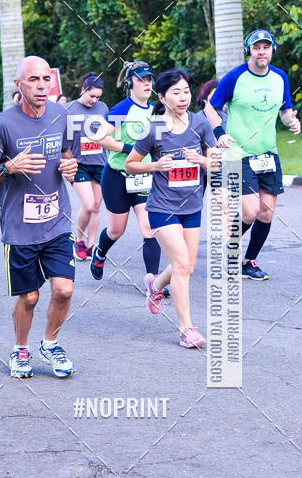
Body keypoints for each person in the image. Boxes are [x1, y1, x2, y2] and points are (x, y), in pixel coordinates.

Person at [0, 55, 78, 379]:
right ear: (18, 84)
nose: (40, 86)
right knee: (30, 296)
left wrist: (70, 167)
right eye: (33, 80)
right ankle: (20, 348)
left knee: (63, 289)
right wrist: (10, 167)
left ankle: (50, 343)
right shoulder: (2, 124)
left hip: (56, 219)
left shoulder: (61, 115)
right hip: (20, 227)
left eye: (45, 79)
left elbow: (67, 154)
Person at [124, 69, 217, 348]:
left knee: (186, 267)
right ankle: (186, 328)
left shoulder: (200, 124)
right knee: (181, 265)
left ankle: (155, 285)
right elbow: (130, 164)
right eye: (176, 92)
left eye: (186, 91)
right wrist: (155, 165)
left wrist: (199, 158)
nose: (183, 97)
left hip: (192, 206)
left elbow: (216, 162)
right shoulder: (154, 129)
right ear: (162, 97)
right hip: (162, 207)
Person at [202, 29, 300, 280]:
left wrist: (291, 121)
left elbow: (286, 110)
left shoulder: (280, 77)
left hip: (268, 153)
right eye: (256, 47)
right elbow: (210, 107)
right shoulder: (235, 77)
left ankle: (249, 261)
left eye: (266, 47)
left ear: (272, 50)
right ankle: (230, 248)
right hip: (239, 153)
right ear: (250, 51)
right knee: (250, 211)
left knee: (266, 212)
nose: (261, 51)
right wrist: (219, 132)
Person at [90, 61, 167, 294]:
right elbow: (99, 137)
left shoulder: (157, 109)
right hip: (116, 176)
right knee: (116, 230)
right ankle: (100, 252)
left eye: (149, 79)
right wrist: (128, 148)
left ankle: (153, 283)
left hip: (143, 176)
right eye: (141, 79)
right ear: (129, 83)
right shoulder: (122, 108)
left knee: (148, 228)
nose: (146, 84)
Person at [67, 72, 108, 260]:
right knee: (89, 204)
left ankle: (91, 244)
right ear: (83, 90)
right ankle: (78, 240)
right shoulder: (68, 109)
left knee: (97, 206)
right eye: (91, 96)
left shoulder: (103, 108)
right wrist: (67, 162)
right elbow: (62, 142)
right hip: (79, 164)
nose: (94, 100)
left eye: (98, 97)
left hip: (99, 163)